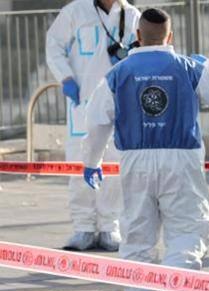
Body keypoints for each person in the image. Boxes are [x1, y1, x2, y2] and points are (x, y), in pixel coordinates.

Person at [81, 8, 209, 291]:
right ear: (171, 36)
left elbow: (97, 122)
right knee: (188, 229)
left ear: (137, 36)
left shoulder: (118, 73)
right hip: (181, 158)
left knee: (138, 231)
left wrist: (91, 161)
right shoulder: (189, 67)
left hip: (135, 160)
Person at [46, 0, 140, 252]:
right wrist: (65, 76)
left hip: (120, 101)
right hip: (84, 101)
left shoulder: (131, 16)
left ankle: (109, 226)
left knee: (114, 164)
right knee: (79, 161)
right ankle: (83, 227)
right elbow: (53, 45)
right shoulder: (75, 12)